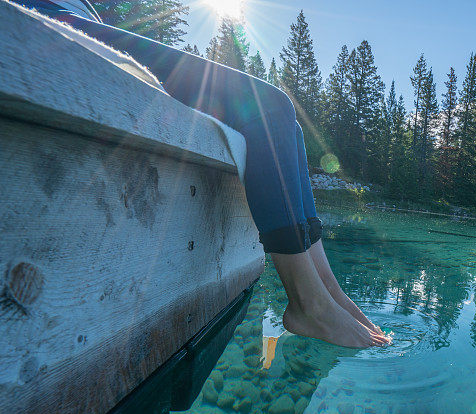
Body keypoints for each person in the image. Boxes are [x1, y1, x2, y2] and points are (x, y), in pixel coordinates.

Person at [14, 0, 390, 348]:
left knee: (290, 129)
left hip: (75, 12)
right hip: (45, 11)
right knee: (272, 107)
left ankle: (327, 287)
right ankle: (308, 303)